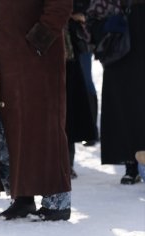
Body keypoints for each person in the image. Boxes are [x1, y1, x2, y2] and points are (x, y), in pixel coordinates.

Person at [0, 0, 73, 221]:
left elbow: (59, 7)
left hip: (36, 64)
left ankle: (56, 203)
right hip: (0, 64)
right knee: (8, 130)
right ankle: (21, 197)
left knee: (43, 131)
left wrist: (36, 43)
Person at [88, 0, 145, 184]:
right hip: (120, 39)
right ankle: (131, 162)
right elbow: (94, 13)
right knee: (124, 101)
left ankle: (138, 161)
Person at [64, 3, 99, 178]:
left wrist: (73, 14)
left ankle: (90, 132)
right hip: (57, 46)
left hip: (74, 45)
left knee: (80, 92)